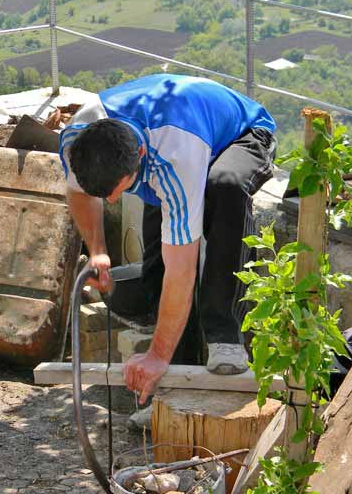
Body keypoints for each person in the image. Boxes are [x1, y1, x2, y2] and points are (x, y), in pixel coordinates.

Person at [59, 73, 276, 405]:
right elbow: (78, 193)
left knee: (224, 187)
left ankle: (223, 333)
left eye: (120, 190)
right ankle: (175, 379)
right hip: (171, 137)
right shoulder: (78, 138)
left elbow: (182, 271)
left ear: (141, 155)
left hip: (241, 133)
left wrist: (155, 356)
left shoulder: (175, 158)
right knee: (158, 255)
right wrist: (98, 250)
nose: (113, 202)